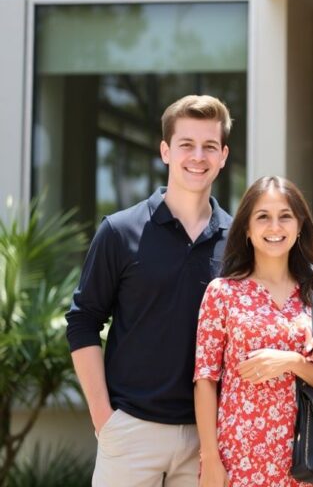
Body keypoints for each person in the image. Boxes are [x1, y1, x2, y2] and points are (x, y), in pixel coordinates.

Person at [66, 95, 233, 486]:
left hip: (205, 440)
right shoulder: (119, 231)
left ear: (223, 155)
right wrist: (104, 419)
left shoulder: (238, 241)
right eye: (186, 145)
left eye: (209, 146)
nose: (198, 156)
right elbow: (83, 322)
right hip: (130, 432)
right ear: (165, 151)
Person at [194, 176, 313, 486]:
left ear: (299, 226)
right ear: (246, 229)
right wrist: (210, 457)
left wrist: (292, 361)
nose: (275, 227)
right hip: (237, 456)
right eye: (263, 217)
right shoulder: (222, 293)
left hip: (301, 459)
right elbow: (205, 379)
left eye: (285, 216)